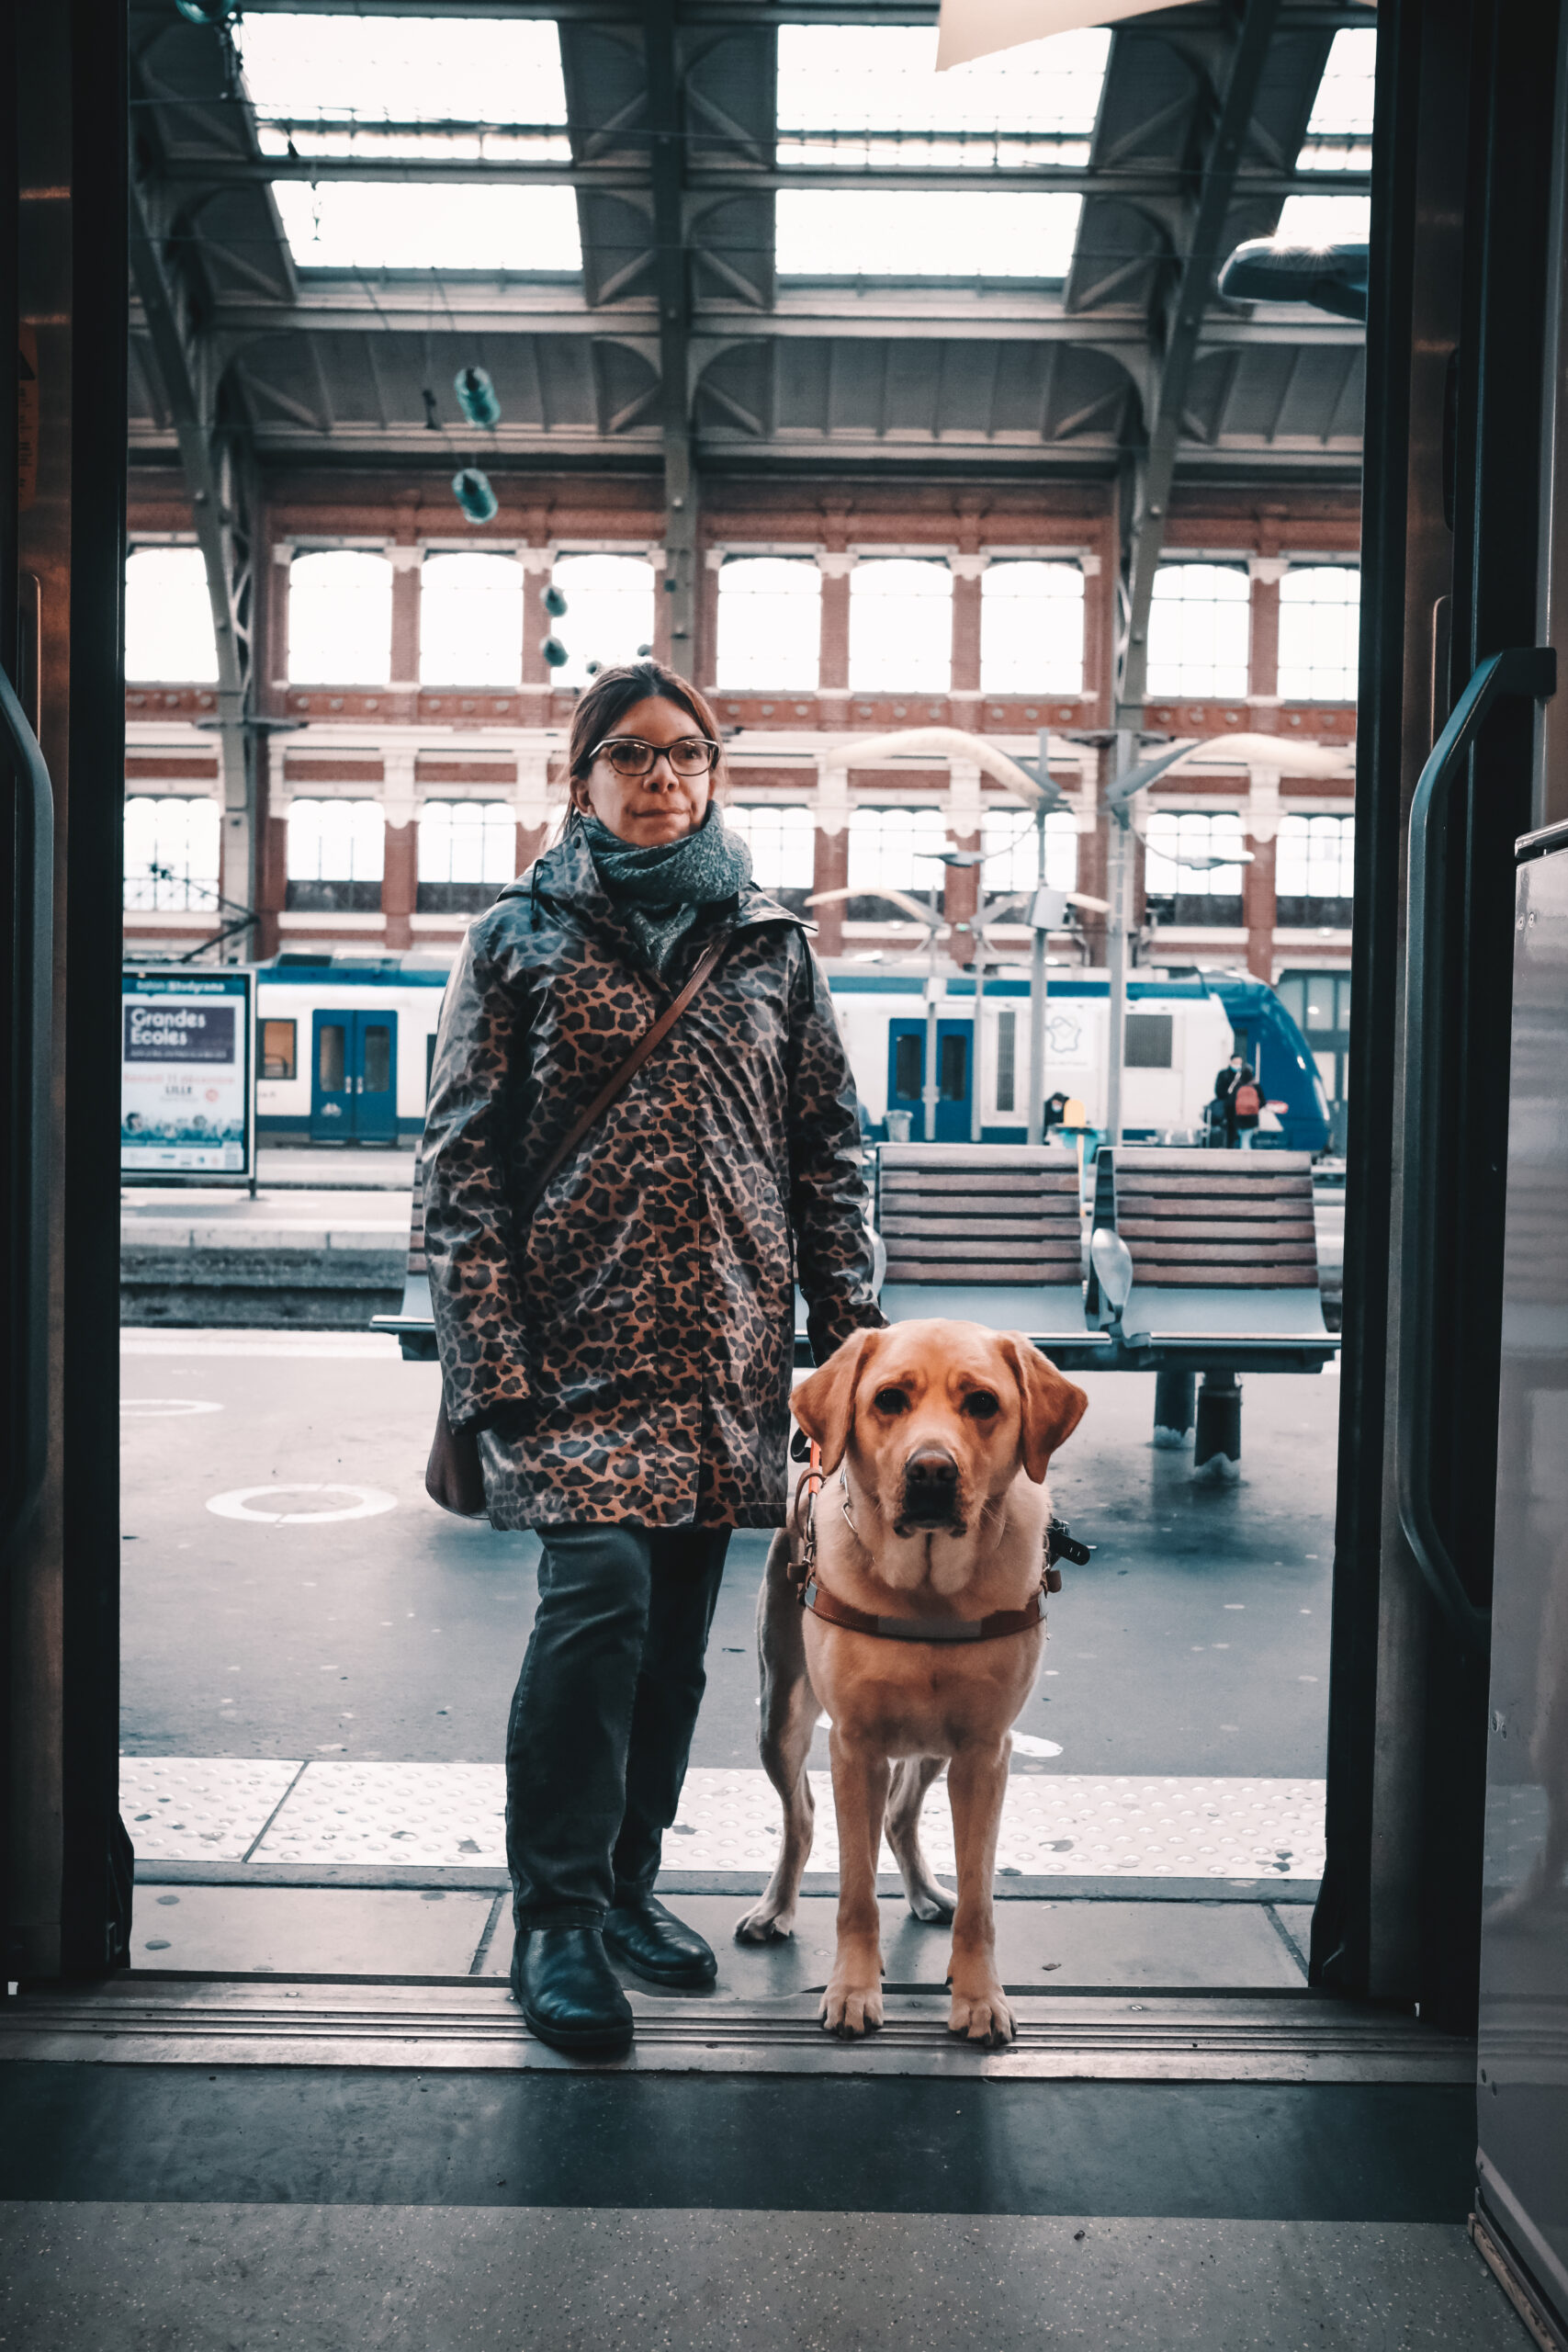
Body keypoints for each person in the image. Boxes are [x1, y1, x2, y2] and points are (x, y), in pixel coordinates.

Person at [422, 658, 883, 2059]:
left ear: (710, 775)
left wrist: (848, 1350)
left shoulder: (768, 945)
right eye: (628, 755)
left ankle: (627, 1883)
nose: (660, 777)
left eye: (684, 754)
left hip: (726, 1360)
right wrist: (492, 1365)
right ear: (579, 780)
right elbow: (458, 1167)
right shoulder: (517, 936)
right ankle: (554, 1914)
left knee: (677, 1644)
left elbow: (827, 1149)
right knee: (599, 1605)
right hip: (572, 1358)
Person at [1213, 1048, 1259, 1148]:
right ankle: (1231, 1148)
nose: (1237, 1065)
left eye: (1239, 1063)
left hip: (1240, 1108)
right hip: (1229, 1107)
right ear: (1231, 1062)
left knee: (1239, 1131)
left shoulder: (1243, 1075)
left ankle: (1235, 1148)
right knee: (1231, 1129)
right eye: (1235, 1062)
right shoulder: (1224, 1074)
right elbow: (1219, 1091)